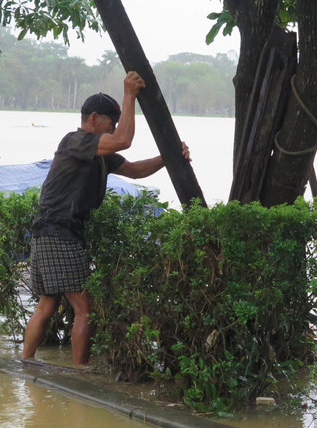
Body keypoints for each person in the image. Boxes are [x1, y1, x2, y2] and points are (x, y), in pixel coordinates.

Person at [21, 71, 190, 366]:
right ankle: (80, 374)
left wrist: (169, 156)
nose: (112, 129)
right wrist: (129, 95)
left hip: (50, 231)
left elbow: (135, 170)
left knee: (48, 303)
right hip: (59, 231)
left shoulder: (98, 152)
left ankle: (26, 361)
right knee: (84, 308)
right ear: (94, 118)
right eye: (110, 123)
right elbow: (123, 140)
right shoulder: (76, 140)